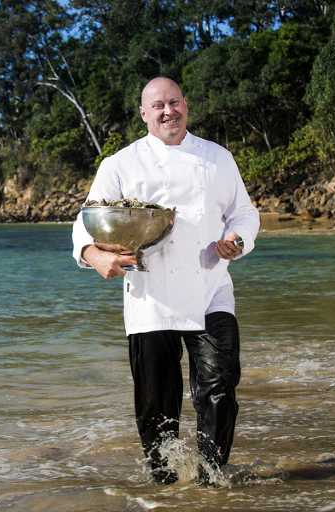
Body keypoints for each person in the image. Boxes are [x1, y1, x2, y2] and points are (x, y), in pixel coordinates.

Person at [71, 77, 260, 485]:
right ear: (144, 114)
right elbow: (85, 223)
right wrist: (93, 254)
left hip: (210, 286)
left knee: (221, 384)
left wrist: (236, 239)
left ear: (186, 106)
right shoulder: (119, 164)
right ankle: (166, 487)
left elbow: (244, 213)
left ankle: (212, 478)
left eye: (174, 102)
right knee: (157, 402)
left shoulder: (218, 158)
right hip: (148, 294)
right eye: (157, 105)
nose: (167, 111)